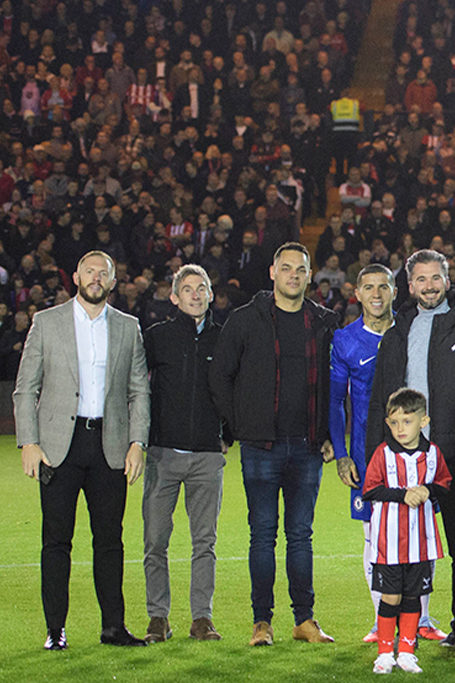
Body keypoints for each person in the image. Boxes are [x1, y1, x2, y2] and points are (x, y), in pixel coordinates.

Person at [365, 249, 455, 651]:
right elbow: (379, 400)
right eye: (420, 280)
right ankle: (409, 628)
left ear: (447, 279)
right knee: (403, 548)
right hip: (404, 460)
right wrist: (377, 455)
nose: (428, 286)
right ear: (410, 286)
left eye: (435, 278)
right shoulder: (397, 332)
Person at [15, 250, 150, 650]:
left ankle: (114, 628)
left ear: (112, 282)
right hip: (59, 447)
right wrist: (28, 441)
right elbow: (26, 388)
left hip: (109, 445)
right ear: (76, 276)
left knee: (110, 540)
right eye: (89, 271)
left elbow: (139, 390)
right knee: (57, 540)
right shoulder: (47, 322)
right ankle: (55, 630)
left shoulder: (128, 327)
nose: (96, 278)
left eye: (103, 273)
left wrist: (137, 442)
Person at [210, 242, 339, 647]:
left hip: (307, 447)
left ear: (309, 275)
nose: (294, 276)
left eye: (300, 270)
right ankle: (261, 623)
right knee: (262, 535)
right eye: (286, 269)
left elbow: (338, 384)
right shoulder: (246, 320)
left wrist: (332, 433)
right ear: (272, 272)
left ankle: (304, 620)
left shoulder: (323, 322)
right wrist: (239, 424)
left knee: (301, 535)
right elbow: (220, 377)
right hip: (260, 447)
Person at [330, 265, 418, 643]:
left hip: (414, 451)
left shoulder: (412, 331)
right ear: (357, 293)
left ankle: (422, 619)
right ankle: (379, 620)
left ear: (395, 291)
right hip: (368, 455)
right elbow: (336, 401)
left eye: (384, 286)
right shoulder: (345, 340)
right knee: (374, 537)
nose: (377, 293)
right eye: (369, 287)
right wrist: (341, 453)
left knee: (418, 532)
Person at [140, 264, 226, 643]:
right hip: (162, 454)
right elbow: (135, 389)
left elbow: (237, 390)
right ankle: (158, 616)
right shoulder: (157, 337)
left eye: (201, 288)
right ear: (174, 296)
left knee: (204, 541)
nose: (195, 294)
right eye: (187, 289)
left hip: (207, 456)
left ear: (210, 294)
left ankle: (201, 618)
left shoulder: (223, 339)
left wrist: (230, 433)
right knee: (155, 540)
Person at [362, 388, 452, 675]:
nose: (401, 429)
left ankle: (407, 653)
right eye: (395, 422)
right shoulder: (383, 453)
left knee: (413, 597)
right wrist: (403, 495)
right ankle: (385, 652)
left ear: (423, 421)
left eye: (408, 421)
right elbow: (370, 489)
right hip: (388, 543)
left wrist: (427, 490)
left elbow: (445, 483)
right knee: (391, 598)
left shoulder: (433, 453)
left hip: (420, 543)